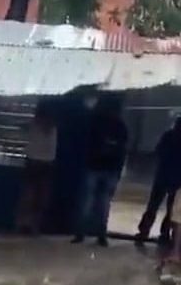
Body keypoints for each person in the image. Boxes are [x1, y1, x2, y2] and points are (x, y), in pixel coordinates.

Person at [73, 98, 128, 247]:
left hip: (94, 167)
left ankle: (81, 233)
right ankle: (100, 235)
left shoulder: (95, 122)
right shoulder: (120, 126)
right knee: (103, 204)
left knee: (87, 202)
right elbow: (122, 150)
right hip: (109, 169)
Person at [135, 117, 181, 246]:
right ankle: (165, 234)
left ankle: (144, 232)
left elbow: (159, 152)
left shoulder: (168, 136)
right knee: (172, 210)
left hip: (163, 176)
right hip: (177, 180)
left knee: (153, 206)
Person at [16, 102, 57, 234]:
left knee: (29, 195)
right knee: (40, 198)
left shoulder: (33, 125)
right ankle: (34, 225)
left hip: (33, 162)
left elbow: (22, 128)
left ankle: (24, 223)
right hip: (46, 164)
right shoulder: (53, 128)